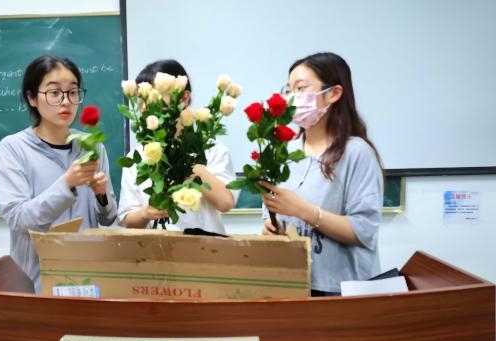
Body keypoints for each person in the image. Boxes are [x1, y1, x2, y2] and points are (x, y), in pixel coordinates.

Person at [260, 52, 384, 296]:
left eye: (301, 88)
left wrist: (302, 210)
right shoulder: (284, 151)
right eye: (288, 90)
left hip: (341, 291)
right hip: (293, 283)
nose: (291, 98)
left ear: (334, 93)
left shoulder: (357, 153)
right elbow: (271, 215)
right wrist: (272, 229)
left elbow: (363, 231)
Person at [0, 55, 117, 292]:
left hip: (86, 280)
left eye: (72, 92)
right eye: (54, 93)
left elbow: (108, 218)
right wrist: (67, 183)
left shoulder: (92, 147)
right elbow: (18, 218)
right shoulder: (14, 148)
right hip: (36, 282)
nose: (66, 101)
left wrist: (102, 196)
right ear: (32, 98)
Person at [117, 59, 238, 234]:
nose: (145, 106)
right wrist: (145, 213)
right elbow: (127, 221)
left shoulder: (211, 148)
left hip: (207, 246)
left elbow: (226, 203)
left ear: (183, 98)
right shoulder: (138, 156)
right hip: (154, 248)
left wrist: (191, 165)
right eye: (141, 98)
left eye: (154, 94)